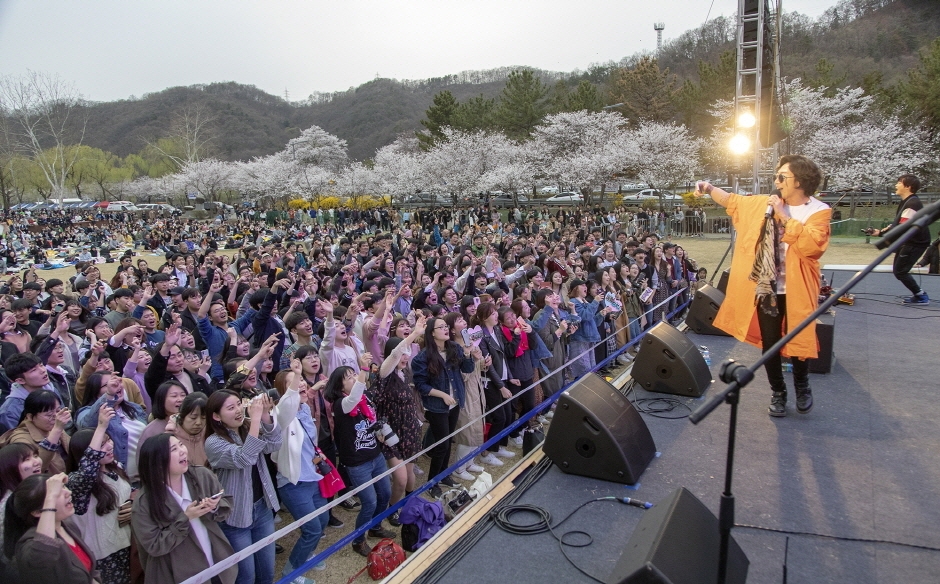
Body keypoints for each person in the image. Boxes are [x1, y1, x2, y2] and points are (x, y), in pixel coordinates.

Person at [695, 154, 831, 417]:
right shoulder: (765, 204)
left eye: (782, 177)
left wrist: (784, 217)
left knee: (799, 338)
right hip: (767, 289)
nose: (776, 182)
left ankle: (802, 386)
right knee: (771, 343)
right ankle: (778, 391)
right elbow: (733, 202)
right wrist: (709, 187)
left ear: (799, 181)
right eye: (776, 176)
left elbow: (812, 247)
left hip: (798, 290)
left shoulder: (818, 211)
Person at [132, 433, 237, 584]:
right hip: (177, 574)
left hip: (216, 562)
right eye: (173, 449)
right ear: (158, 461)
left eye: (181, 444)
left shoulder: (201, 475)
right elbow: (154, 546)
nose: (182, 451)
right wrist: (185, 518)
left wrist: (214, 507)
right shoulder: (144, 502)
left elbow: (225, 503)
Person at [204, 389, 282, 584]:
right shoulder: (213, 442)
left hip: (262, 507)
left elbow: (274, 444)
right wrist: (255, 419)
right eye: (231, 408)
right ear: (216, 416)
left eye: (239, 404)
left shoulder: (248, 427)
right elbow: (244, 458)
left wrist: (265, 415)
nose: (238, 410)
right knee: (246, 576)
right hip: (235, 515)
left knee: (267, 571)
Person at [323, 358, 395, 558]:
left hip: (375, 455)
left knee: (385, 494)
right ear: (340, 387)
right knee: (369, 502)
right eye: (349, 377)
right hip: (357, 463)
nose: (355, 378)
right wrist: (364, 369)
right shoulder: (340, 405)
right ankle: (358, 540)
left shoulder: (365, 399)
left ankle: (375, 527)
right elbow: (353, 397)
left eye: (354, 374)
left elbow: (370, 416)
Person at [271, 360, 328, 584]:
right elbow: (286, 405)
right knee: (312, 529)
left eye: (301, 379)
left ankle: (307, 554)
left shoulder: (305, 409)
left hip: (312, 476)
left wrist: (315, 458)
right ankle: (290, 574)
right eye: (293, 382)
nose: (301, 383)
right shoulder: (281, 416)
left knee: (322, 520)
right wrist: (296, 374)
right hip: (293, 483)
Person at [66, 407, 133, 584]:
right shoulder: (76, 483)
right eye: (102, 444)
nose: (110, 446)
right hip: (103, 557)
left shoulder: (115, 468)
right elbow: (88, 470)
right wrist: (101, 426)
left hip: (127, 544)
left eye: (108, 440)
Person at [411, 317, 476, 497]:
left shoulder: (454, 348)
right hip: (436, 406)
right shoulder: (422, 358)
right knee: (442, 445)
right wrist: (442, 395)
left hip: (454, 402)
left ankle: (444, 475)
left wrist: (468, 354)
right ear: (432, 333)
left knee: (448, 441)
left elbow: (468, 369)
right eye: (441, 327)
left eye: (446, 326)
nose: (446, 329)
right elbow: (421, 385)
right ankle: (432, 483)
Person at [4, 473, 99, 583]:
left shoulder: (68, 526)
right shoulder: (30, 544)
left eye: (63, 487)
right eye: (57, 493)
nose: (68, 492)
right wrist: (51, 498)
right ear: (37, 512)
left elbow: (88, 570)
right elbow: (44, 556)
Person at [866, 174, 931, 304]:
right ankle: (920, 295)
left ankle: (921, 296)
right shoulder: (907, 201)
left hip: (915, 243)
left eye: (899, 183)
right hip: (909, 241)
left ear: (908, 187)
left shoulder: (912, 203)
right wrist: (880, 232)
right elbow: (900, 223)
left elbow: (903, 227)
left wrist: (883, 236)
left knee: (900, 271)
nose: (896, 185)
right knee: (899, 270)